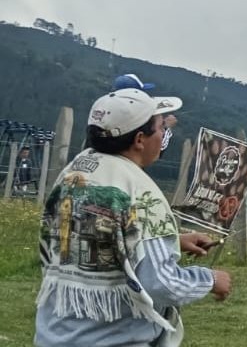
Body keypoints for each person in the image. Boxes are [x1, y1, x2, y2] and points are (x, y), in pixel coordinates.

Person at [36, 88, 233, 347]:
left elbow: (88, 232)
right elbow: (161, 283)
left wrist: (173, 239)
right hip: (111, 339)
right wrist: (210, 279)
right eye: (162, 128)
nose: (164, 136)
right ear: (140, 139)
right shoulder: (140, 190)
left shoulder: (78, 169)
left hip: (55, 334)